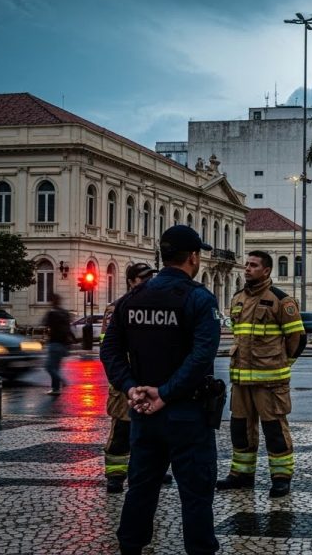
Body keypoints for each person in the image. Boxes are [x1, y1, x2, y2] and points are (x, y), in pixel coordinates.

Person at [101, 225, 221, 555]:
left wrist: (130, 388)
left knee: (140, 487)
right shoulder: (198, 298)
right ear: (193, 257)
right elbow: (201, 357)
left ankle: (130, 547)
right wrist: (165, 393)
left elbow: (109, 351)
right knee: (196, 494)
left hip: (143, 413)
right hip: (187, 414)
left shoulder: (131, 299)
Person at [216, 250, 305, 498]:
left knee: (274, 430)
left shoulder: (281, 300)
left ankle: (281, 477)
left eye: (253, 265)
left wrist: (282, 364)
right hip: (241, 380)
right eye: (246, 265)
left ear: (266, 270)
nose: (247, 269)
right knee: (240, 429)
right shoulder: (237, 299)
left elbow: (297, 339)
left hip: (270, 382)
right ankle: (241, 475)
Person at [100, 262, 158, 494]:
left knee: (153, 430)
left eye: (150, 278)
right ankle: (115, 474)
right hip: (125, 380)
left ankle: (153, 469)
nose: (147, 283)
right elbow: (109, 348)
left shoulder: (156, 306)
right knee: (122, 429)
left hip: (151, 379)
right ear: (131, 282)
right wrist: (121, 379)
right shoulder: (117, 308)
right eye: (143, 279)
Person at [41, 293, 73, 395]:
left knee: (49, 367)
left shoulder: (52, 313)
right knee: (56, 367)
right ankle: (55, 389)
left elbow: (44, 323)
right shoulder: (64, 313)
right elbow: (69, 329)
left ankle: (63, 381)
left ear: (52, 302)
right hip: (63, 344)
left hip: (54, 343)